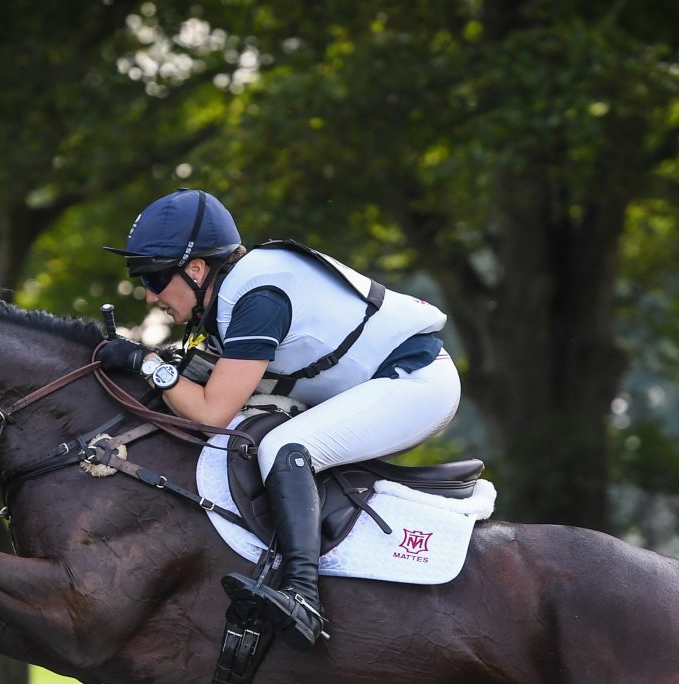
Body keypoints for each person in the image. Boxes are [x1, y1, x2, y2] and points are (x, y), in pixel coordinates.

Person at [98, 189, 459, 646]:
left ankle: (303, 597)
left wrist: (145, 363)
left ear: (195, 269)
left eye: (153, 278)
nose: (150, 296)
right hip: (383, 385)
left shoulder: (259, 298)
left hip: (417, 386)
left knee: (286, 449)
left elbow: (211, 409)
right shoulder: (229, 297)